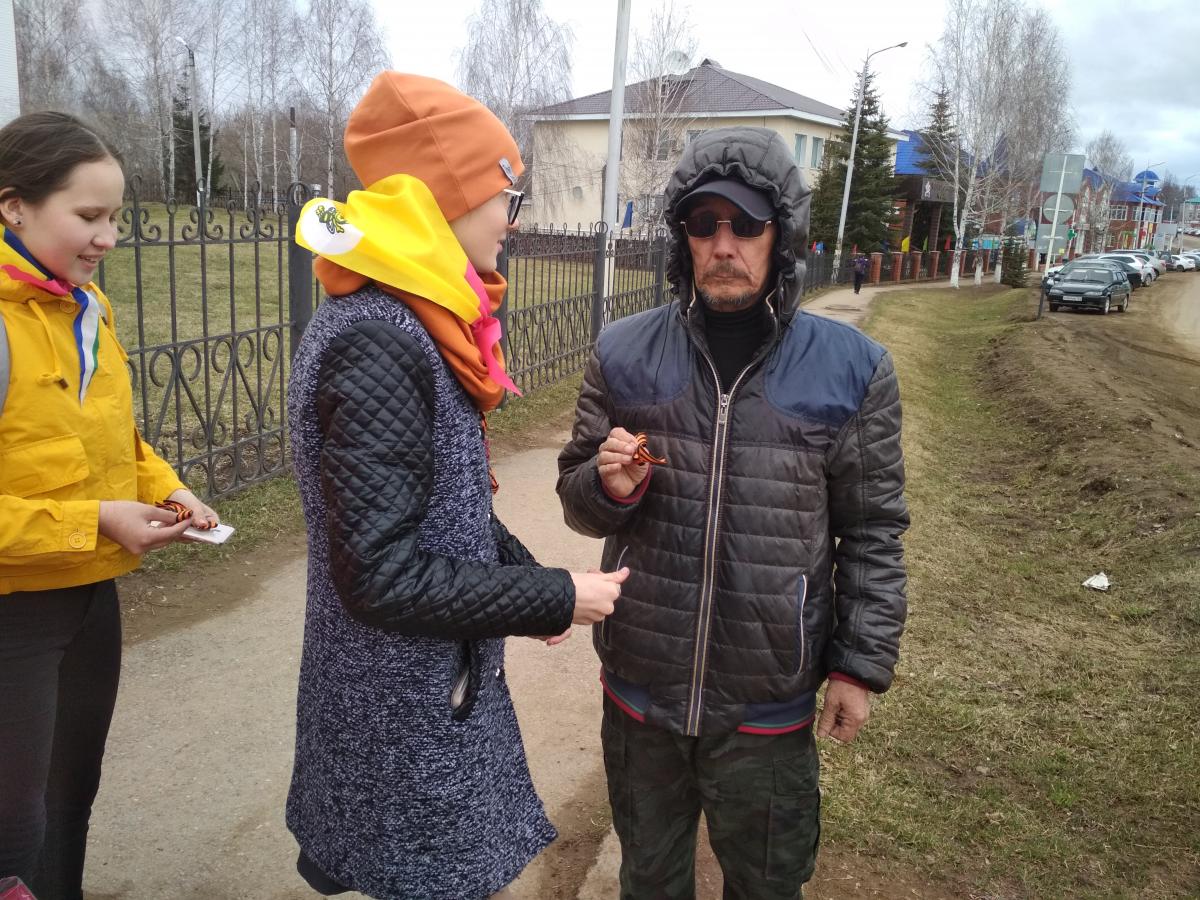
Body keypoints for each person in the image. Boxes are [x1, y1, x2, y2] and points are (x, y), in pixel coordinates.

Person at [284, 72, 627, 900]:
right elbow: (381, 574)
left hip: (420, 693)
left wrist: (531, 585)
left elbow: (448, 504)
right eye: (507, 197)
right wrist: (550, 598)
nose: (515, 219)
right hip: (403, 706)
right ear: (450, 196)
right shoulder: (382, 337)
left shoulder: (415, 317)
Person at [557, 126, 909, 899]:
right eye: (703, 223)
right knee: (649, 880)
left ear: (781, 235)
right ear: (681, 236)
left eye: (746, 224)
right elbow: (578, 498)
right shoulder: (624, 351)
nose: (723, 244)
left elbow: (873, 528)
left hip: (768, 705)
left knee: (766, 886)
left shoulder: (853, 371)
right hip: (642, 694)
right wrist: (611, 487)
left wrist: (858, 665)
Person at [0, 111, 218, 900]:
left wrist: (167, 489)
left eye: (116, 217)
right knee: (12, 831)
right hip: (14, 613)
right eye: (89, 215)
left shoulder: (86, 306)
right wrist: (95, 519)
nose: (109, 238)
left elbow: (113, 438)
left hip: (91, 596)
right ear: (13, 206)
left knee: (68, 802)